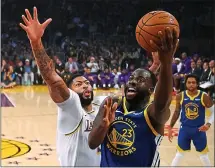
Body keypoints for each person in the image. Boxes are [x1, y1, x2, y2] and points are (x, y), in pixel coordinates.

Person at [19, 7, 100, 166]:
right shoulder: (71, 105)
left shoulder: (101, 105)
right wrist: (36, 43)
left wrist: (156, 66)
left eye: (87, 83)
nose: (85, 86)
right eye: (78, 84)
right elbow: (53, 78)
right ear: (70, 91)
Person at [88, 27, 179, 167]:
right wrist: (103, 127)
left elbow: (163, 102)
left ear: (151, 90)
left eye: (140, 80)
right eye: (131, 78)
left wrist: (166, 63)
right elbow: (92, 143)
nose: (132, 81)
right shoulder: (112, 105)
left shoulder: (152, 115)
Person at [168, 74, 214, 167]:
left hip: (199, 130)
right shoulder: (180, 96)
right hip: (184, 129)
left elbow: (214, 111)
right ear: (185, 84)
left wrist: (208, 124)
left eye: (193, 82)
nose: (191, 84)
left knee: (203, 156)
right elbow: (176, 112)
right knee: (179, 154)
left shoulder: (203, 96)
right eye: (189, 82)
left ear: (197, 84)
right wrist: (170, 127)